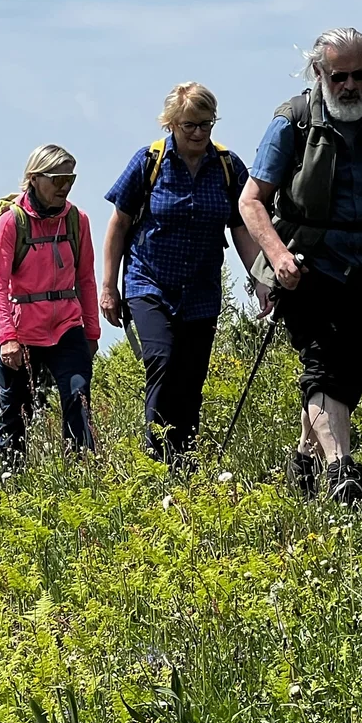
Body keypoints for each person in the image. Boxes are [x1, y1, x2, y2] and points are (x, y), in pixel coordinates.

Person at [238, 27, 362, 504]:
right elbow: (251, 201)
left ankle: (305, 460)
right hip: (306, 264)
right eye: (339, 76)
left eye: (359, 74)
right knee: (324, 364)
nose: (350, 85)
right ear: (319, 72)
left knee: (351, 363)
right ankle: (341, 471)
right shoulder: (291, 121)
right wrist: (277, 256)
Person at [102, 83, 266, 466]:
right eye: (190, 125)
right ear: (172, 124)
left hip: (201, 292)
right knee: (163, 361)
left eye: (206, 124)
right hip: (148, 283)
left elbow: (241, 229)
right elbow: (118, 224)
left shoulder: (227, 166)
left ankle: (184, 465)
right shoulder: (149, 162)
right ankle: (156, 461)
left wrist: (261, 279)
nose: (198, 132)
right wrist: (108, 287)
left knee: (191, 379)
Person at [0, 145, 101, 463]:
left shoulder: (78, 221)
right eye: (58, 179)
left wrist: (92, 332)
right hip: (22, 330)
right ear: (35, 178)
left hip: (67, 326)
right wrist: (7, 338)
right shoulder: (12, 222)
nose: (65, 186)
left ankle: (81, 471)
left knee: (78, 395)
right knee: (16, 409)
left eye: (70, 178)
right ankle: (11, 476)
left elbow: (86, 279)